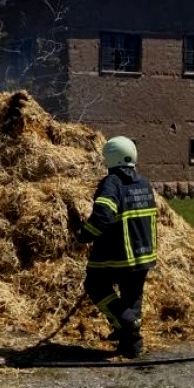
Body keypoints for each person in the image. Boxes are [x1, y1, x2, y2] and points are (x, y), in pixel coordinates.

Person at [76, 136, 158, 358]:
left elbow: (103, 215)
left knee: (95, 285)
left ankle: (126, 322)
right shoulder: (143, 183)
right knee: (132, 298)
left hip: (117, 255)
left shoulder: (112, 183)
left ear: (110, 158)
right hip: (144, 255)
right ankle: (131, 345)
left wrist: (84, 235)